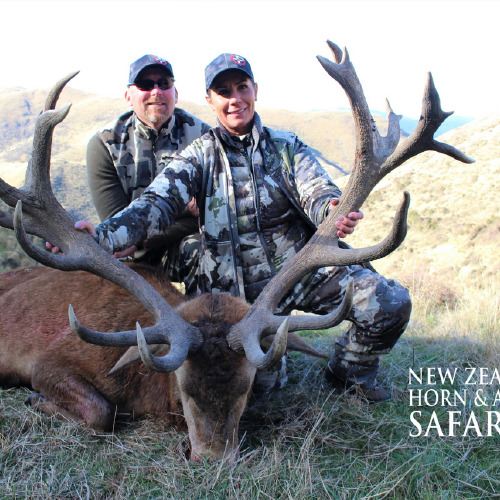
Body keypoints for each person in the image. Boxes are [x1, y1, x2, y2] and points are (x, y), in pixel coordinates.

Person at [71, 53, 412, 402]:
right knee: (262, 392)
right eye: (223, 91)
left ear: (255, 91)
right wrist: (99, 238)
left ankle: (349, 373)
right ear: (210, 100)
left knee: (389, 302)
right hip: (236, 298)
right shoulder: (197, 156)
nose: (235, 98)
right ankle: (270, 358)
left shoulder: (286, 147)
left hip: (298, 270)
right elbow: (153, 206)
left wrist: (332, 209)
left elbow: (319, 193)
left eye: (242, 87)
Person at [86, 54, 211, 267]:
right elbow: (121, 226)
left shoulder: (203, 138)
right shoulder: (104, 145)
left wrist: (142, 239)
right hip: (129, 255)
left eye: (164, 83)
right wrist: (184, 210)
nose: (156, 91)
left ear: (175, 93)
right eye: (145, 84)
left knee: (205, 252)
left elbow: (208, 214)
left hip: (183, 244)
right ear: (128, 96)